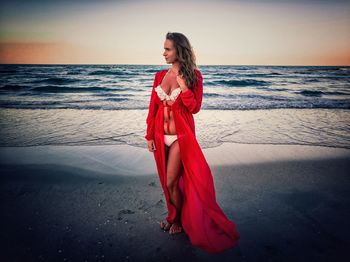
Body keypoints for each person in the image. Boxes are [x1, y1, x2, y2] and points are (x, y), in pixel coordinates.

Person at [145, 32, 240, 253]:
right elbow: (153, 109)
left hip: (181, 137)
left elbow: (194, 108)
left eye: (168, 49)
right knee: (166, 181)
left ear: (179, 50)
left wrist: (185, 88)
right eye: (164, 48)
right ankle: (172, 216)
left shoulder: (194, 75)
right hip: (160, 136)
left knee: (171, 181)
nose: (164, 53)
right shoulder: (159, 76)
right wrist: (149, 135)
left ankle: (177, 221)